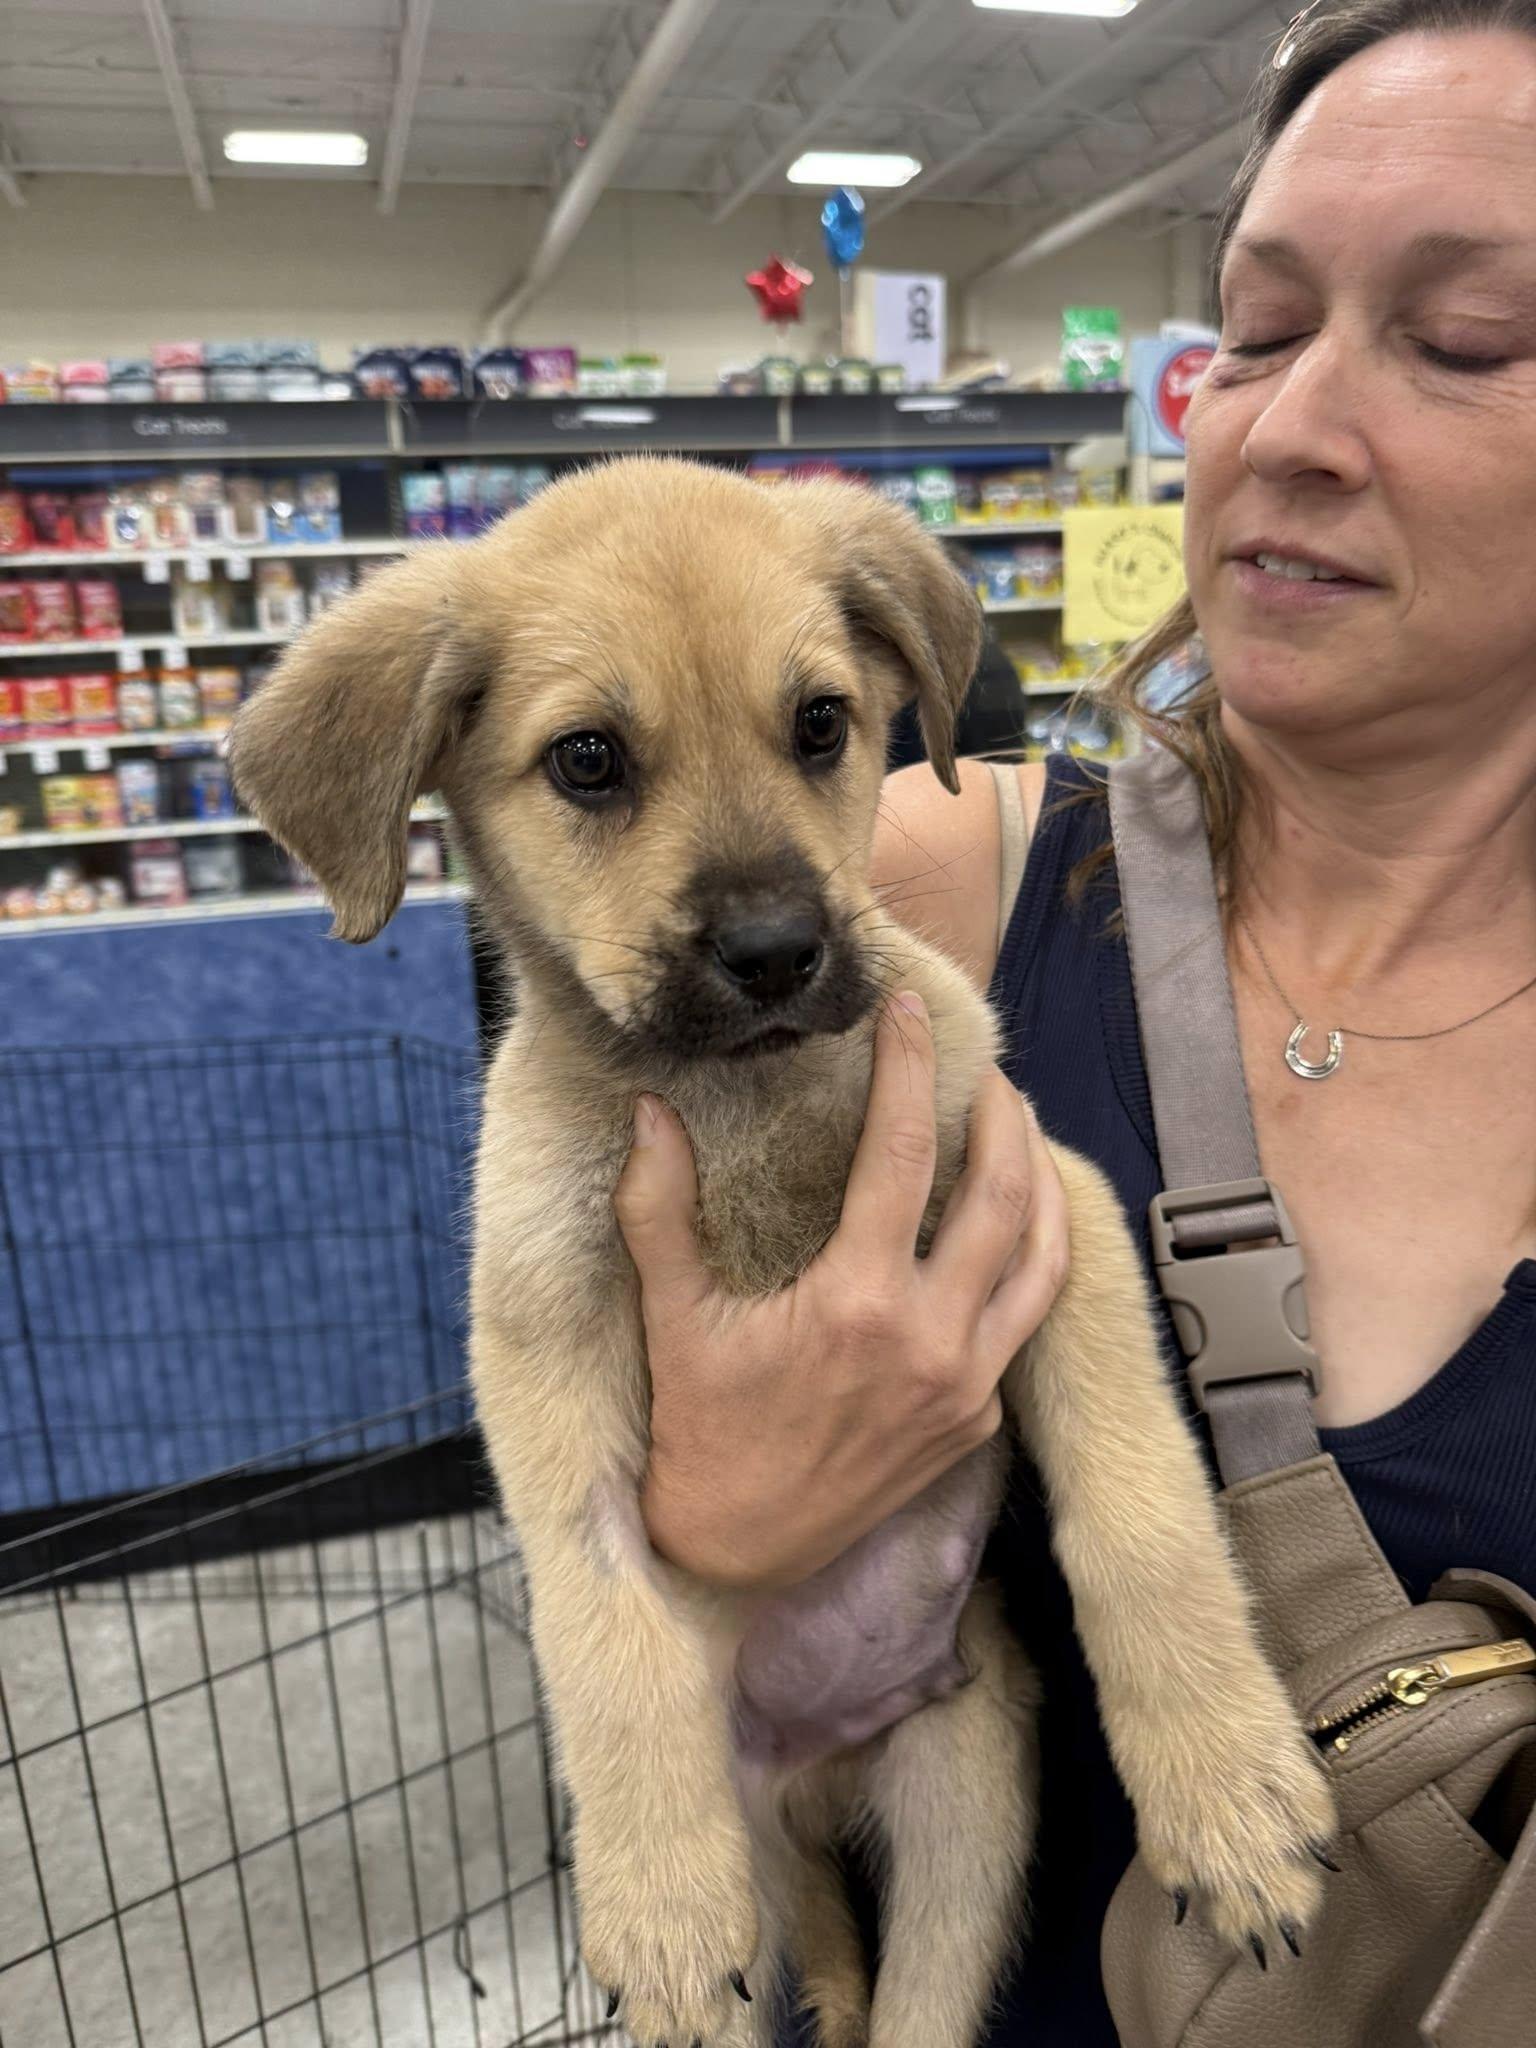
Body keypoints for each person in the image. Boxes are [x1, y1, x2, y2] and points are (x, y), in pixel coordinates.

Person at [614, 0, 1536, 2035]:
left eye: (1465, 341)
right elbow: (587, 1405)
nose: (1286, 427)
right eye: (1257, 327)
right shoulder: (923, 888)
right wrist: (717, 1531)